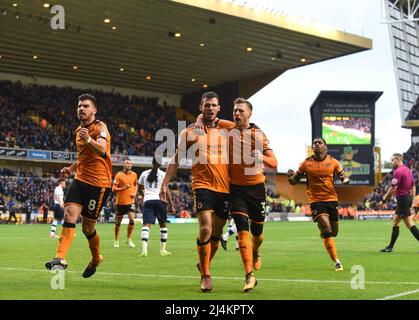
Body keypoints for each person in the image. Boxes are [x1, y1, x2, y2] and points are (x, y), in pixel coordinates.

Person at [198, 97, 277, 292]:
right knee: (242, 229)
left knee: (257, 234)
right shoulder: (228, 127)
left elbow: (275, 162)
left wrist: (263, 157)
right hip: (236, 190)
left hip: (256, 190)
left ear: (249, 113)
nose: (237, 113)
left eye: (241, 111)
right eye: (235, 110)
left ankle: (256, 251)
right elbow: (204, 116)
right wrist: (200, 124)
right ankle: (249, 275)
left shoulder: (258, 135)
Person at [160, 92, 230, 293]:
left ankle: (204, 263)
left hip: (224, 188)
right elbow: (176, 159)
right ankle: (206, 275)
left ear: (218, 108)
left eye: (214, 105)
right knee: (206, 229)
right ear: (201, 107)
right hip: (202, 185)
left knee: (215, 236)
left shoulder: (227, 129)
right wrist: (165, 183)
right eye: (206, 105)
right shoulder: (189, 132)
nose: (210, 108)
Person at [45, 93, 112, 278]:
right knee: (69, 214)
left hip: (99, 184)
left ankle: (96, 258)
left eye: (86, 106)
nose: (81, 108)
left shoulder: (100, 127)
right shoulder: (78, 130)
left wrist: (89, 139)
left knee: (87, 229)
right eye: (79, 106)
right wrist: (71, 168)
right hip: (80, 179)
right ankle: (59, 258)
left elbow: (102, 150)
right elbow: (84, 156)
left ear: (94, 110)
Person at [287, 137, 350, 271]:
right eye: (314, 143)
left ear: (325, 147)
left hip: (332, 200)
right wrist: (290, 176)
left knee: (333, 232)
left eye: (319, 143)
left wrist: (345, 180)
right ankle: (336, 261)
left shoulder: (333, 162)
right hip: (316, 201)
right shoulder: (306, 163)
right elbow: (294, 181)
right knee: (327, 229)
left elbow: (342, 175)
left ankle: (324, 234)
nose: (316, 144)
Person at [380, 153, 419, 252]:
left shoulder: (398, 171)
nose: (392, 162)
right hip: (407, 199)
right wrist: (412, 201)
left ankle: (390, 247)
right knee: (395, 223)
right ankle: (390, 247)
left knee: (409, 224)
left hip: (402, 199)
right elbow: (413, 187)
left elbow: (393, 189)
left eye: (393, 160)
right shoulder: (408, 170)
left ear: (398, 159)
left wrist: (384, 199)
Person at [138, 156, 175, 257]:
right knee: (163, 226)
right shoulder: (163, 174)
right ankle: (163, 250)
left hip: (148, 201)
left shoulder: (144, 174)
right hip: (159, 201)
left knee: (146, 225)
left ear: (152, 162)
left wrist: (144, 195)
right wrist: (172, 205)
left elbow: (139, 188)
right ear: (160, 164)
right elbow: (166, 190)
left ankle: (144, 250)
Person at [112, 158, 138, 248]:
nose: (129, 164)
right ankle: (116, 240)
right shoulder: (119, 175)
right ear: (123, 165)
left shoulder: (134, 175)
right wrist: (123, 188)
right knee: (118, 222)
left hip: (130, 202)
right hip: (120, 202)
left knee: (132, 219)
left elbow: (136, 185)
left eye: (130, 163)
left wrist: (135, 193)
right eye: (127, 163)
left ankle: (129, 239)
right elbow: (113, 189)